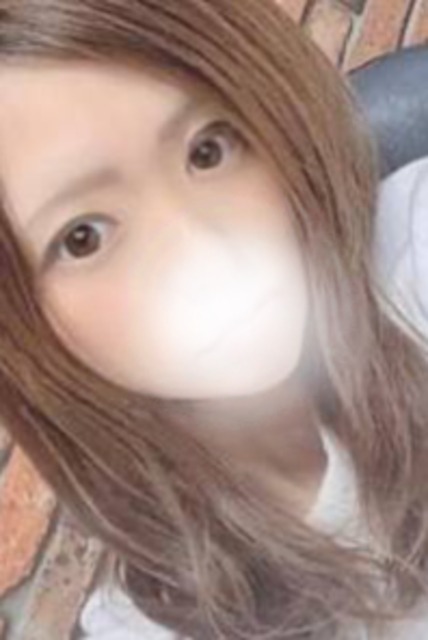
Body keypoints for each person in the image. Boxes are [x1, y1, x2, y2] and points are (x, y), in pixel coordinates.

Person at [0, 2, 427, 639]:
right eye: (83, 237)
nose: (205, 251)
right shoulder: (147, 625)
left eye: (208, 151)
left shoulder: (414, 246)